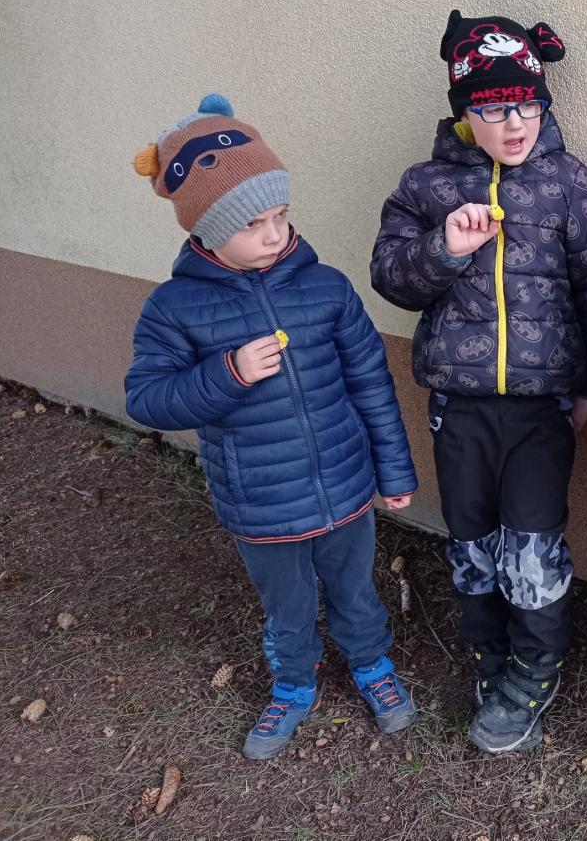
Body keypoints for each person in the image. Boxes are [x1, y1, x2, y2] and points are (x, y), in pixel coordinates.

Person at [126, 94, 420, 760]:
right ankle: (292, 682)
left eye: (280, 214)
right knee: (287, 603)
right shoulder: (174, 308)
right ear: (206, 229)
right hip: (260, 501)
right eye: (252, 222)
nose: (273, 233)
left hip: (345, 488)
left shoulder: (327, 288)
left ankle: (372, 664)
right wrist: (227, 373)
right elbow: (148, 399)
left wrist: (394, 470)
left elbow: (371, 385)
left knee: (355, 589)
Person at [369, 10, 587, 753]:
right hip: (459, 405)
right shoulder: (425, 186)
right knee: (472, 540)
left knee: (532, 548)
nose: (513, 123)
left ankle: (534, 671)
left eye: (526, 104)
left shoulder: (567, 184)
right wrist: (444, 249)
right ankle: (491, 653)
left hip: (544, 409)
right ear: (464, 111)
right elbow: (391, 277)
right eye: (492, 107)